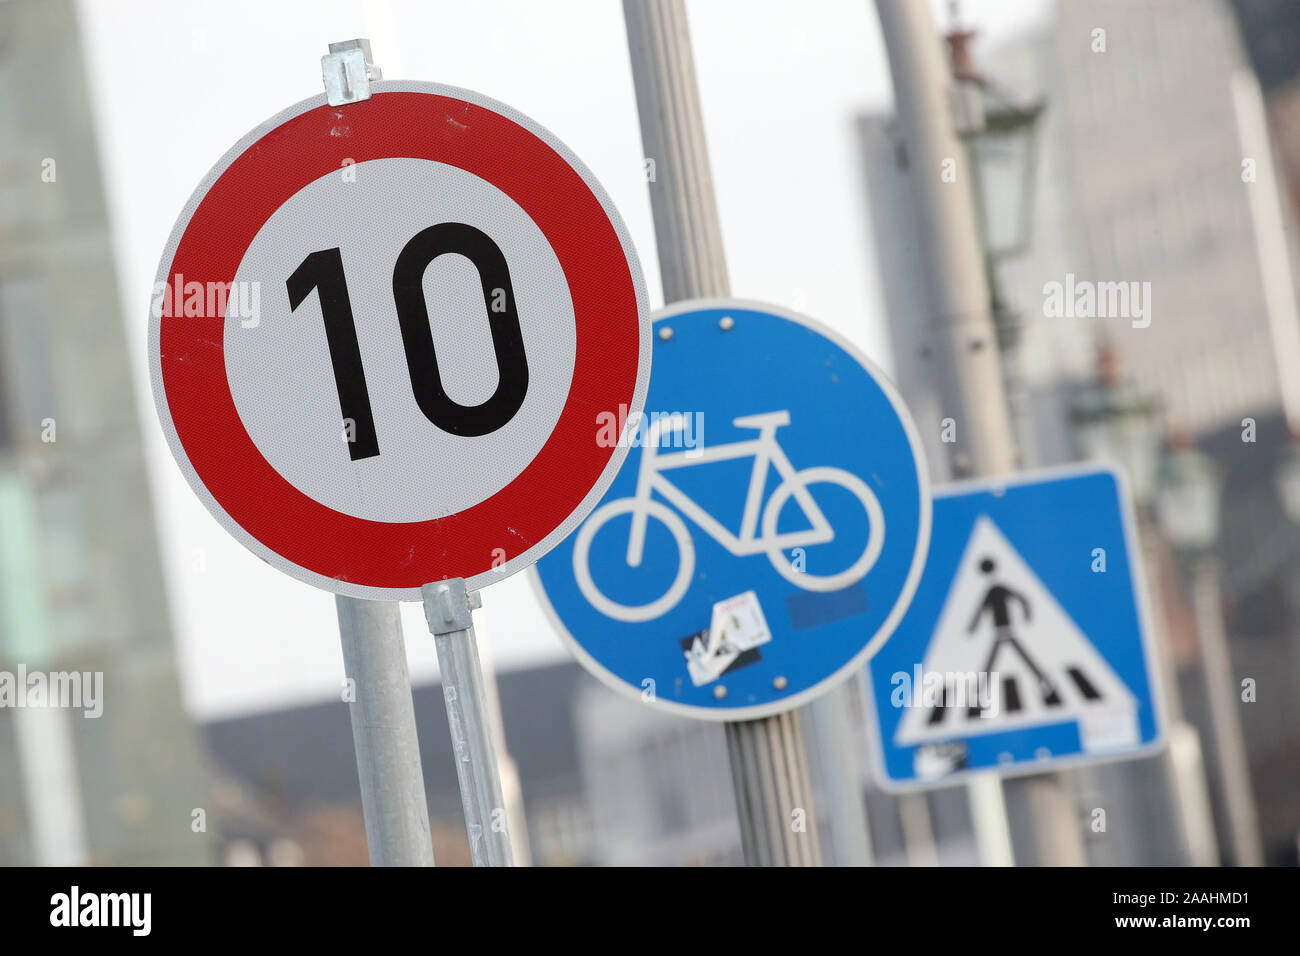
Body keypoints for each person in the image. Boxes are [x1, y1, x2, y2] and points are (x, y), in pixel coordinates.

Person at [967, 557, 1060, 705]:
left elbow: (1022, 599)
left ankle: (1045, 683)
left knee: (1006, 661)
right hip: (1001, 632)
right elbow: (981, 611)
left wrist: (1027, 616)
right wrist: (973, 627)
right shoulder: (993, 590)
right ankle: (1045, 682)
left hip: (1005, 631)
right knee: (1010, 660)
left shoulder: (996, 589)